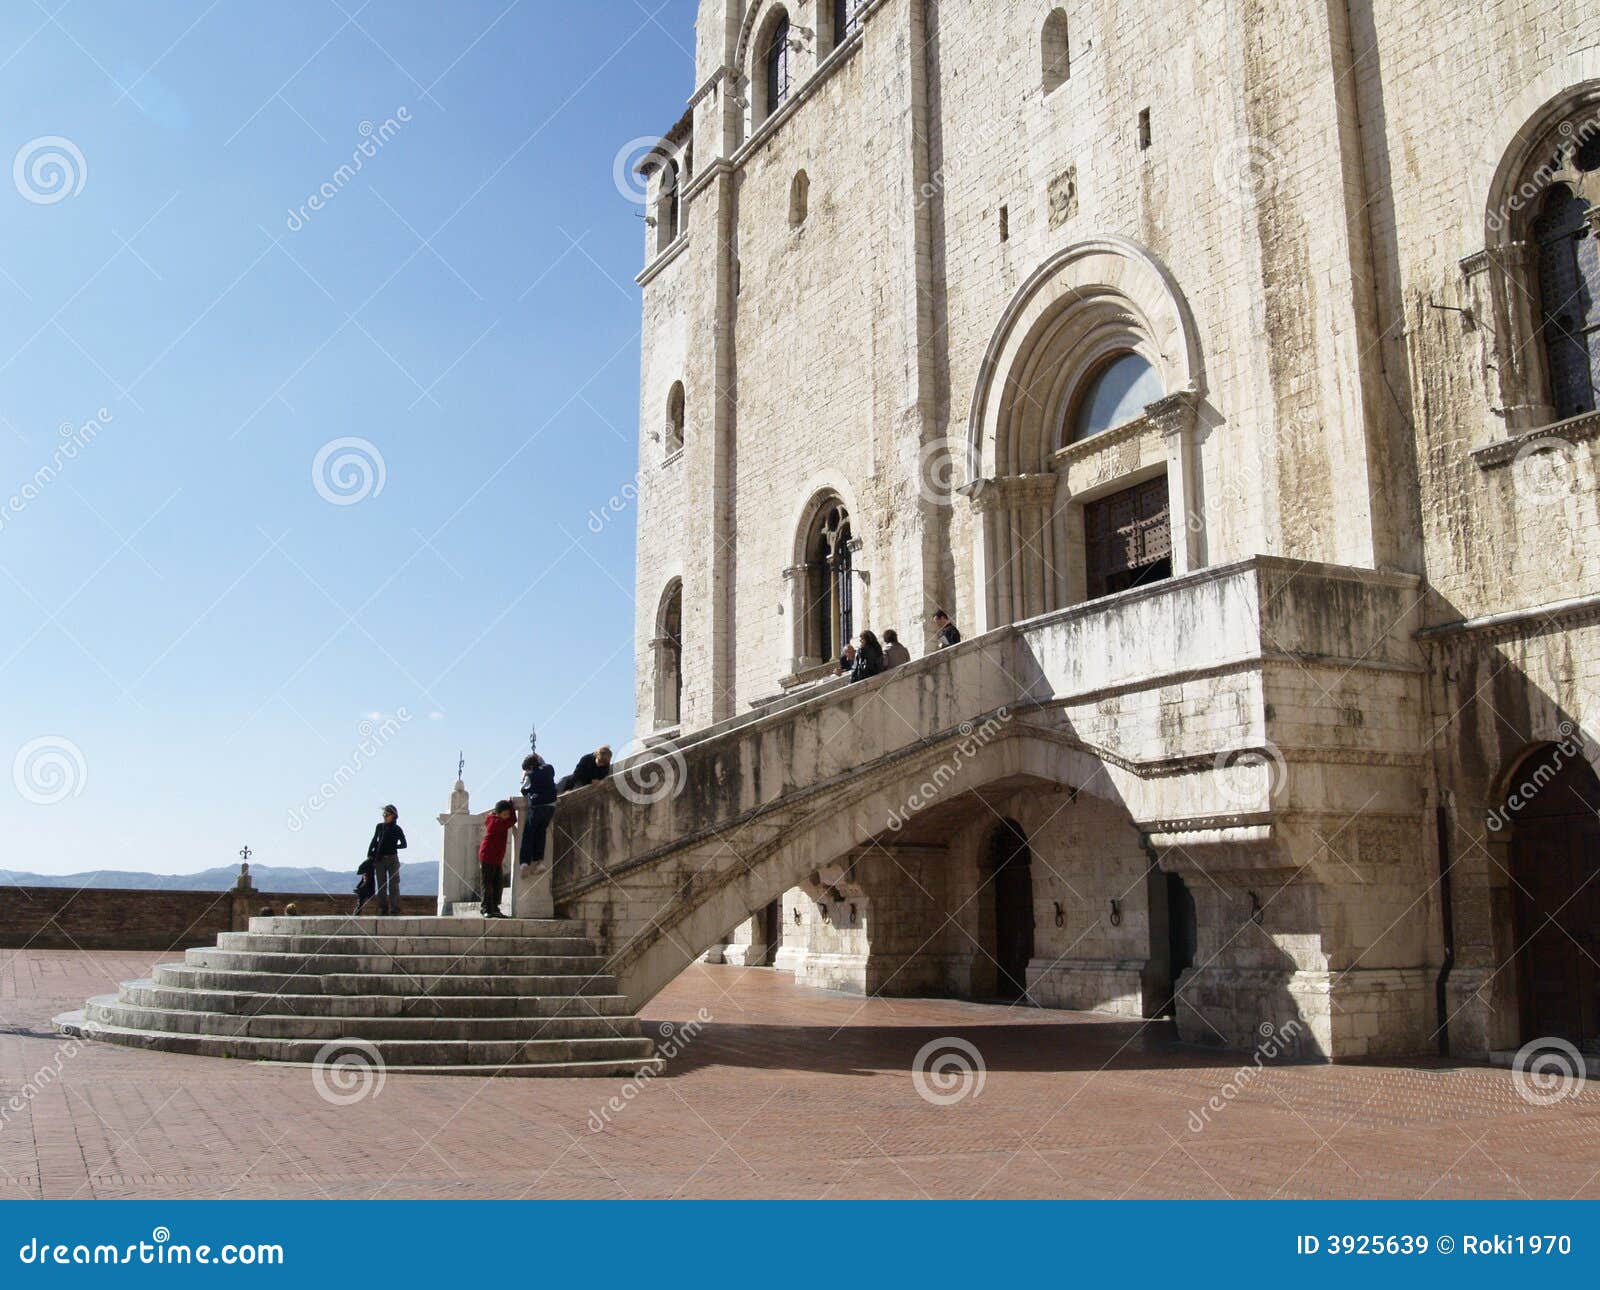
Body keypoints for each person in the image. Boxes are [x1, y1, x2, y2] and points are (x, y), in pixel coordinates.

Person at [478, 799, 517, 918]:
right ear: (499, 813)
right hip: (487, 856)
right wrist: (511, 806)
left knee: (498, 883)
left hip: (496, 858)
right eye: (505, 813)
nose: (507, 816)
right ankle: (485, 908)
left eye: (508, 813)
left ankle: (494, 908)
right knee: (487, 883)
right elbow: (513, 820)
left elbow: (511, 819)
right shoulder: (495, 823)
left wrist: (510, 807)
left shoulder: (499, 820)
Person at [366, 804, 407, 916]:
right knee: (381, 885)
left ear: (393, 816)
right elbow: (374, 840)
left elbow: (404, 844)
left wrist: (394, 846)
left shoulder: (397, 829)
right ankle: (383, 909)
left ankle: (395, 910)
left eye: (387, 814)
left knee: (393, 885)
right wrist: (369, 854)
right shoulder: (380, 827)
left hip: (392, 858)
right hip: (379, 859)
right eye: (383, 814)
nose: (384, 816)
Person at [520, 753, 558, 874]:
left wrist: (524, 777)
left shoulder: (530, 775)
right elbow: (544, 766)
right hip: (551, 807)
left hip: (537, 806)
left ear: (529, 767)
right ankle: (539, 862)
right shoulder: (549, 769)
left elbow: (524, 791)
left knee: (529, 834)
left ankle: (525, 863)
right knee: (541, 833)